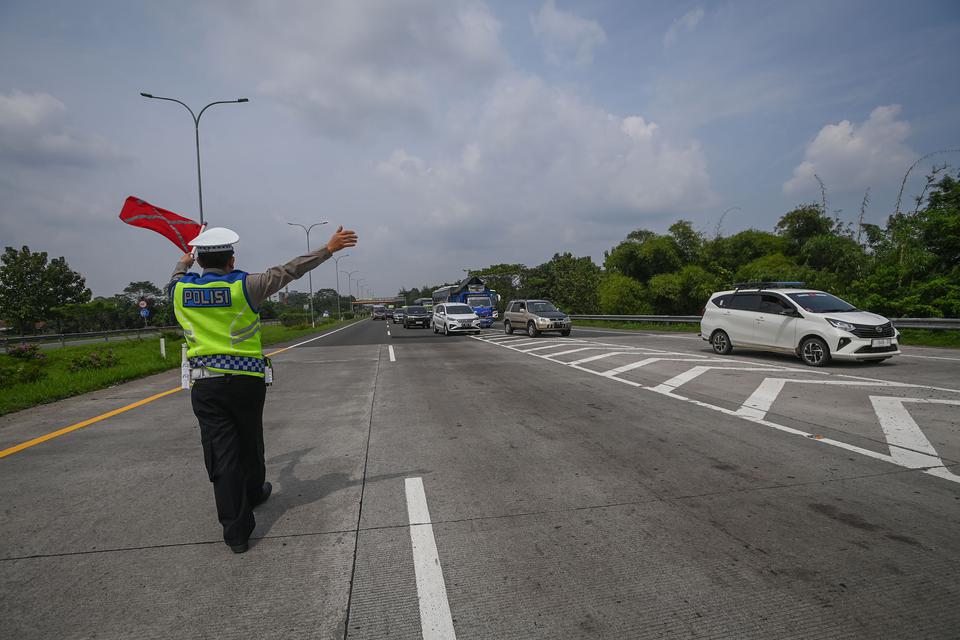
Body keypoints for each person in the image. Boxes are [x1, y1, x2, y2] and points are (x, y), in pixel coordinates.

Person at [168, 224, 358, 553]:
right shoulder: (247, 286)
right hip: (246, 381)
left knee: (221, 454)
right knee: (250, 438)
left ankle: (236, 533)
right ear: (232, 259)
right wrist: (329, 249)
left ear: (198, 260)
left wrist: (183, 262)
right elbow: (291, 270)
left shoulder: (178, 290)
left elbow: (174, 277)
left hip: (206, 384)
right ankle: (255, 492)